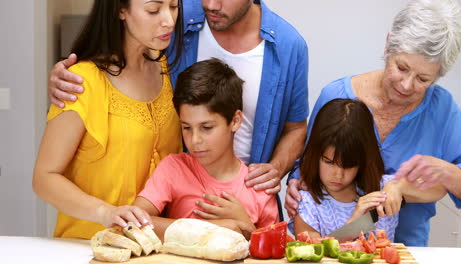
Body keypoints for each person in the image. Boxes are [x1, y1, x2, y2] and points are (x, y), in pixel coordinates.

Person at [47, 0, 309, 202]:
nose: (211, 5)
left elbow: (296, 128)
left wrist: (275, 168)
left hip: (249, 200)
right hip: (178, 204)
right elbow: (124, 46)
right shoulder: (177, 16)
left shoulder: (289, 45)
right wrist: (70, 71)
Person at [286, 0, 461, 246]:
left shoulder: (442, 110)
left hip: (408, 250)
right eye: (401, 67)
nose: (406, 85)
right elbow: (307, 165)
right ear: (388, 45)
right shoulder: (337, 97)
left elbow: (442, 186)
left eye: (423, 79)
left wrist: (449, 173)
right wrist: (297, 187)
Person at [33, 0, 185, 239]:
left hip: (153, 249)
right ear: (120, 10)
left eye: (174, 7)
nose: (169, 20)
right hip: (86, 247)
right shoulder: (81, 81)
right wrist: (105, 212)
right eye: (153, 10)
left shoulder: (165, 68)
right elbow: (44, 178)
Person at [132, 58, 279, 240]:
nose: (194, 140)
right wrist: (212, 228)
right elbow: (134, 221)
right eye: (186, 127)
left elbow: (274, 254)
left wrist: (245, 226)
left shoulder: (259, 188)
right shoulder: (174, 168)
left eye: (207, 128)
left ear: (235, 121)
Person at [291, 99, 447, 242]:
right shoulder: (306, 204)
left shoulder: (383, 188)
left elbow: (440, 188)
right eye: (329, 162)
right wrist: (354, 225)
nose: (338, 175)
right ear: (315, 154)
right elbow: (311, 254)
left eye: (349, 165)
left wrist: (398, 188)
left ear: (364, 160)